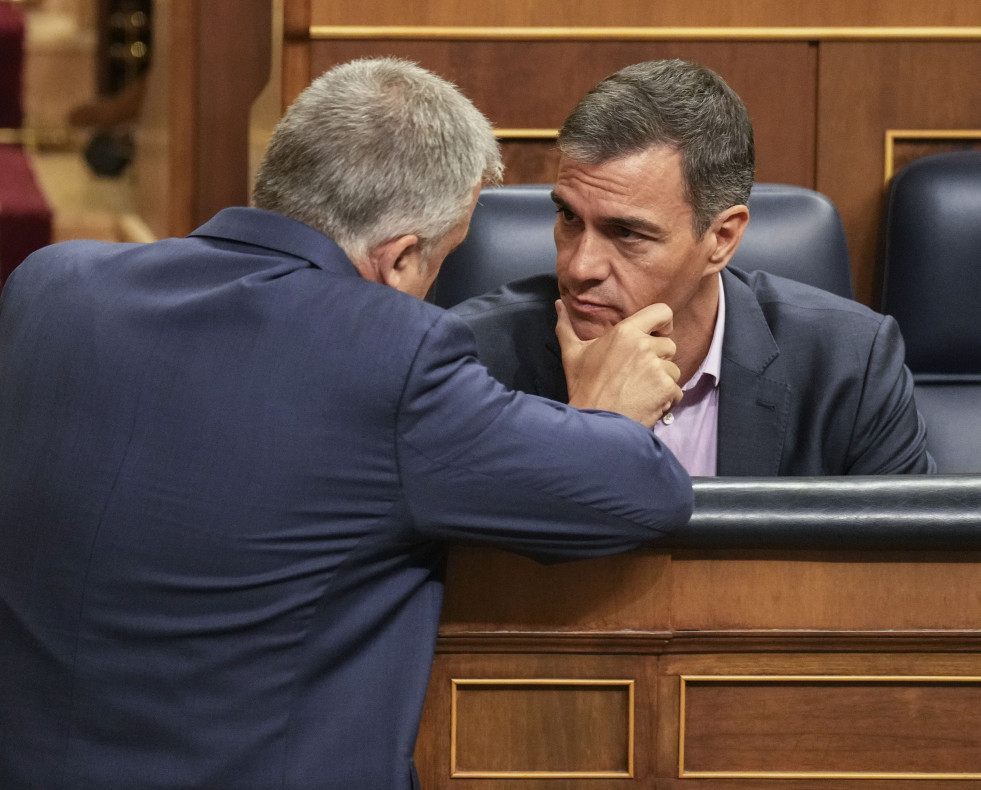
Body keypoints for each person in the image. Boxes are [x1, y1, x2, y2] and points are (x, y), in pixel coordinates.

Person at [0, 59, 693, 790]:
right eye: (440, 264)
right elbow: (638, 491)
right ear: (398, 262)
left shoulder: (51, 288)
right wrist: (605, 412)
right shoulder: (393, 354)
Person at [451, 59, 934, 476]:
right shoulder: (471, 362)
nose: (579, 266)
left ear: (721, 239)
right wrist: (591, 430)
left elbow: (910, 571)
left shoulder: (850, 364)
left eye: (627, 233)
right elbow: (473, 576)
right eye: (570, 217)